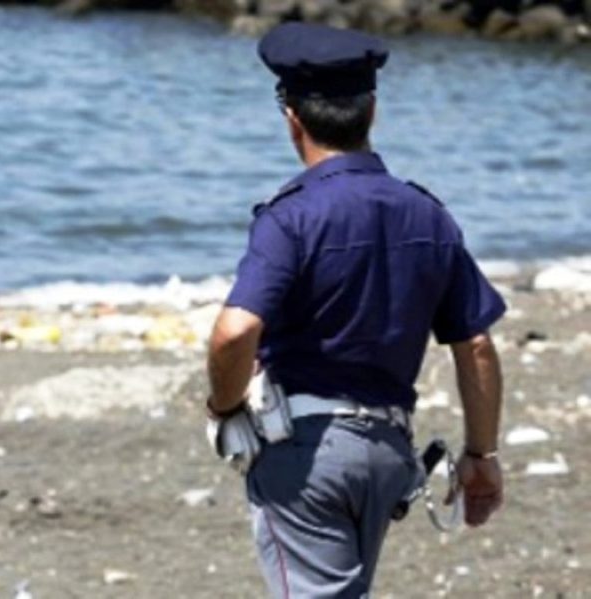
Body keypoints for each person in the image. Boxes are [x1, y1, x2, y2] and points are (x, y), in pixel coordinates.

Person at [206, 23, 506, 598]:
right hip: (388, 453)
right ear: (372, 109)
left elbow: (233, 332)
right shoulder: (427, 215)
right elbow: (477, 345)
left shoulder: (290, 217)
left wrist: (223, 410)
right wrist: (481, 454)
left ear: (291, 116)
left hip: (308, 456)